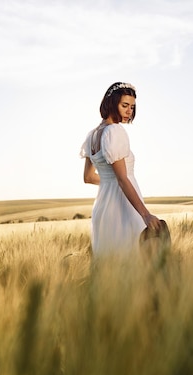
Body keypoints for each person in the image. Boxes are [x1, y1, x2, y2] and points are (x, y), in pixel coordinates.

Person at [80, 82, 162, 258]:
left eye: (132, 107)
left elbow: (88, 177)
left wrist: (111, 182)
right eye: (124, 105)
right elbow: (123, 180)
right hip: (123, 206)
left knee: (111, 264)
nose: (129, 111)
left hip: (103, 207)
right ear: (111, 103)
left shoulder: (92, 135)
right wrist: (145, 215)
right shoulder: (114, 132)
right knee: (133, 260)